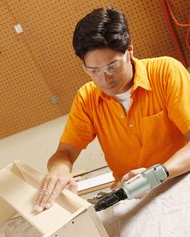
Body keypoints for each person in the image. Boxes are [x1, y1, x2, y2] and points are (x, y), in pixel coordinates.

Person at [34, 6, 190, 213]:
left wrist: (154, 176)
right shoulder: (86, 98)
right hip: (131, 197)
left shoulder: (165, 72)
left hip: (179, 180)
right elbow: (65, 153)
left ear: (130, 51)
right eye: (94, 71)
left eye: (111, 67)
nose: (105, 79)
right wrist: (59, 169)